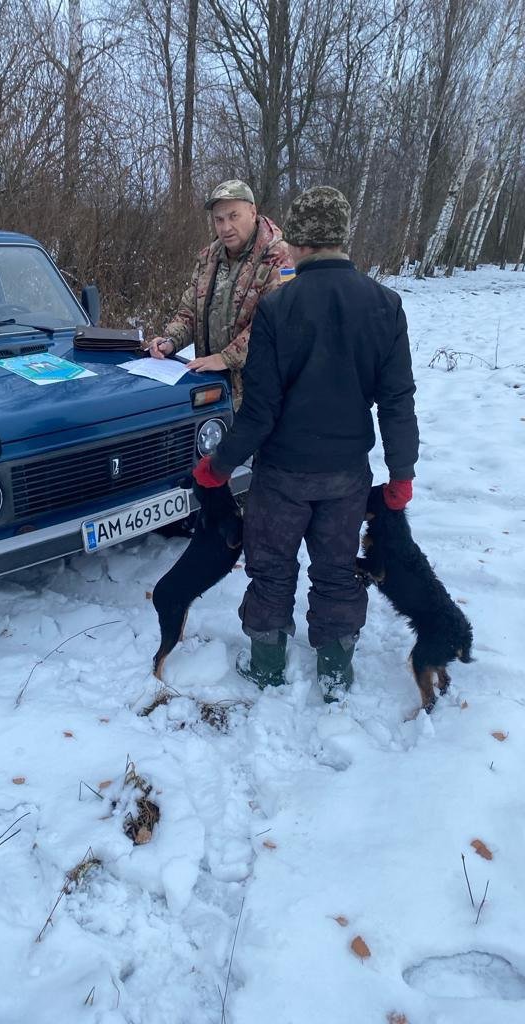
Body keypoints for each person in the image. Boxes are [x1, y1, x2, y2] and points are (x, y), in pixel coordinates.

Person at [193, 186, 419, 699]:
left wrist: (218, 466)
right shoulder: (386, 304)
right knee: (338, 569)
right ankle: (336, 674)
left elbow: (260, 410)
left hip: (281, 475)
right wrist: (401, 475)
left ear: (294, 241)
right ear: (342, 236)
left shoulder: (278, 308)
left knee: (271, 569)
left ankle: (267, 667)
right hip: (347, 474)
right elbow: (398, 399)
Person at [147, 179, 293, 409]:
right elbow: (189, 311)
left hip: (260, 395)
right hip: (213, 387)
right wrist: (170, 341)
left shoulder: (280, 258)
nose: (225, 227)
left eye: (234, 216)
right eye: (219, 219)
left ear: (252, 212)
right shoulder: (209, 257)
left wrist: (225, 358)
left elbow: (276, 324)